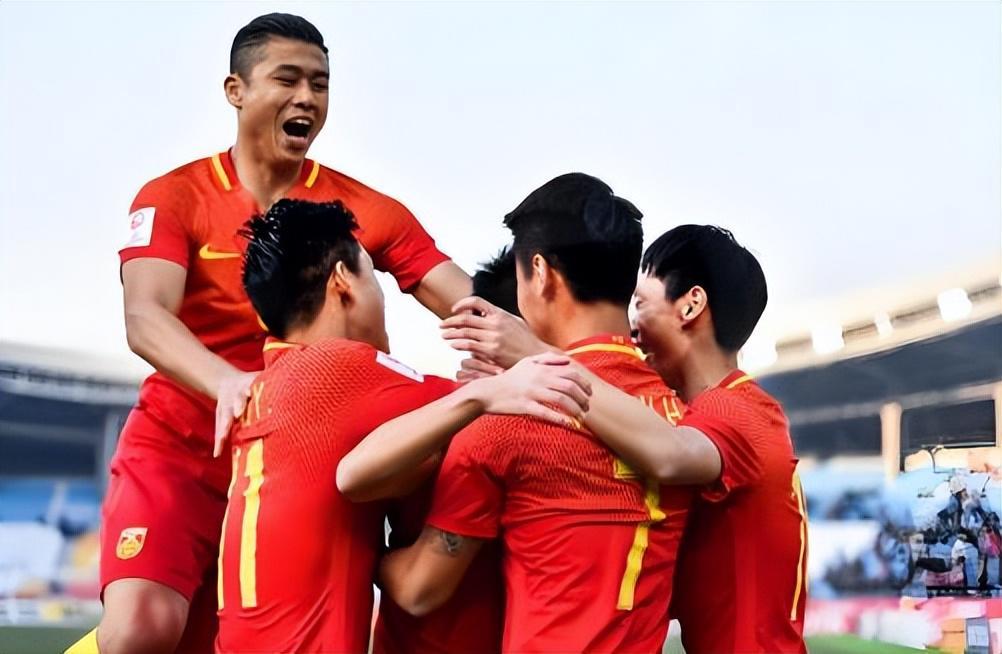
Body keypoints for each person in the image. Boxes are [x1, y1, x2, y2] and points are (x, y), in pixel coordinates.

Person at [75, 13, 471, 654]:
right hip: (183, 445)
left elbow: (468, 303)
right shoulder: (174, 196)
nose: (307, 98)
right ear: (236, 90)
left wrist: (563, 358)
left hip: (303, 462)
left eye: (320, 83)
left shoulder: (362, 211)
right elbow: (145, 317)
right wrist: (229, 383)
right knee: (140, 632)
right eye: (287, 80)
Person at [215, 199, 587, 653]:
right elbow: (509, 396)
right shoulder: (339, 366)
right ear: (343, 281)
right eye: (373, 277)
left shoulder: (264, 385)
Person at [345, 173, 692, 653]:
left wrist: (359, 549)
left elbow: (420, 588)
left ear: (541, 273)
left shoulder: (511, 417)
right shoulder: (682, 413)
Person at [440, 225, 808, 653]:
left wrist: (535, 356)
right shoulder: (723, 410)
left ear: (691, 305)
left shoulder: (733, 413)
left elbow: (669, 455)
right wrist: (511, 380)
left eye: (641, 303)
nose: (631, 329)